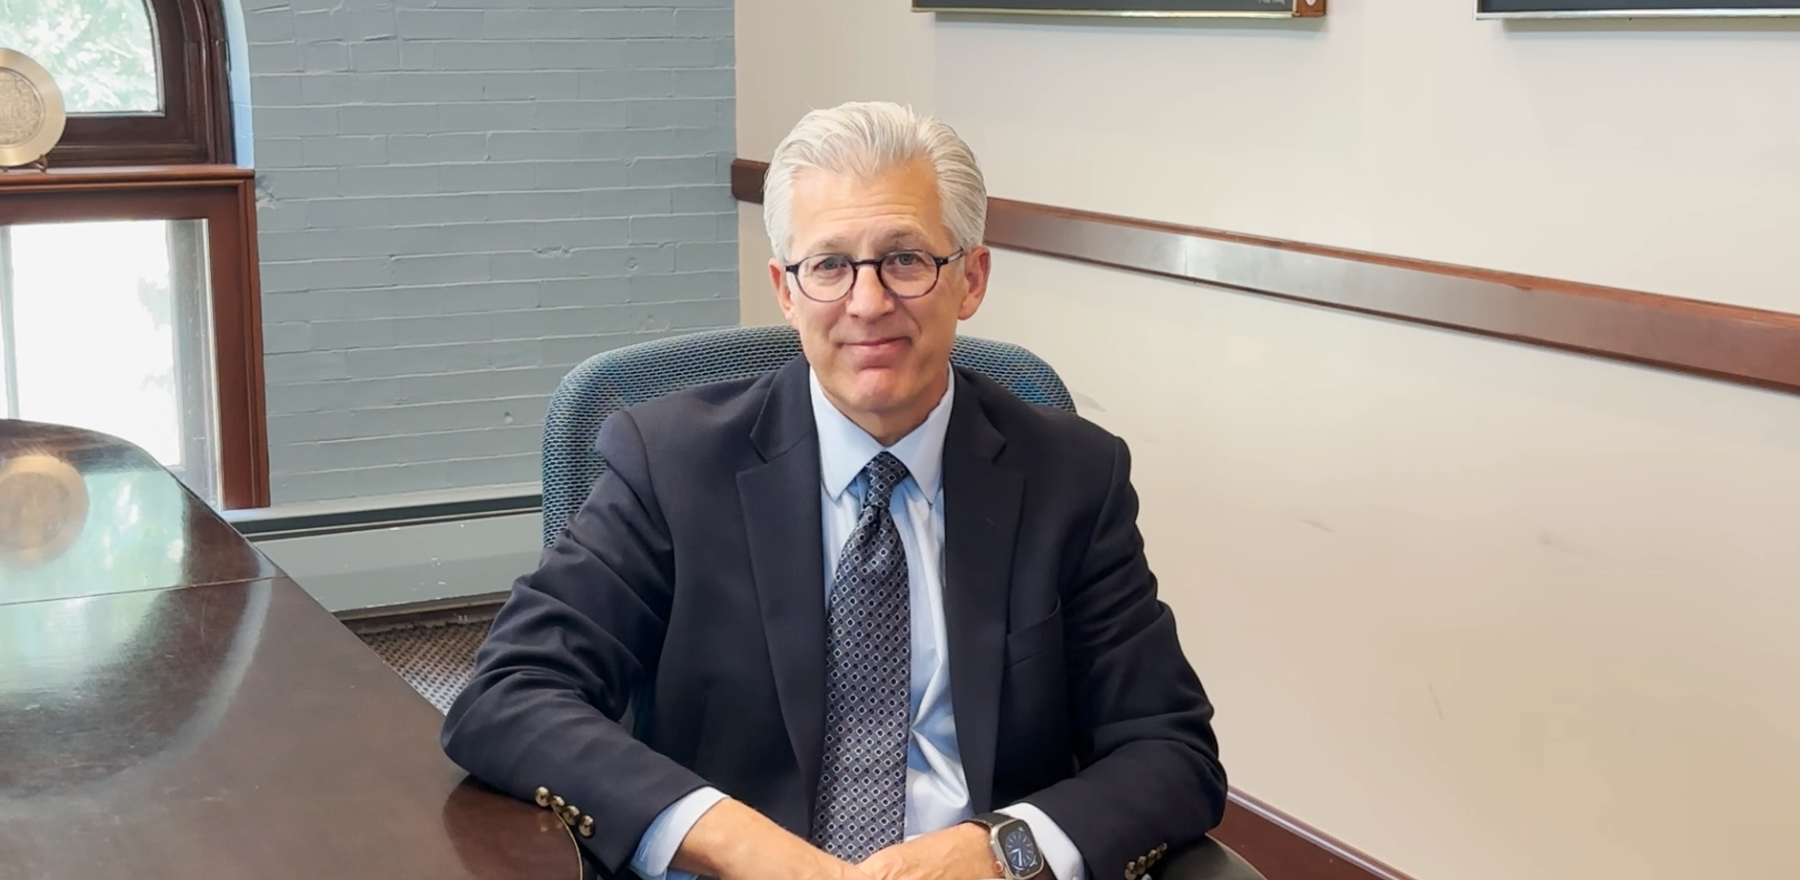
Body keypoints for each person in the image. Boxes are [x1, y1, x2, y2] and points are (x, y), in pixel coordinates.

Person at [440, 101, 1226, 880]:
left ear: (971, 279)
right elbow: (512, 692)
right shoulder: (673, 465)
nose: (868, 301)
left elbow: (1170, 749)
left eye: (907, 259)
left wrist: (1000, 851)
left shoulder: (1070, 478)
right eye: (829, 265)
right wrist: (748, 847)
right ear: (786, 289)